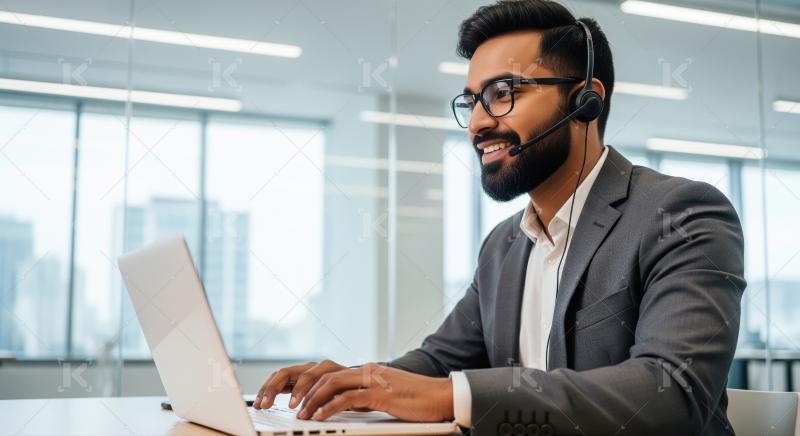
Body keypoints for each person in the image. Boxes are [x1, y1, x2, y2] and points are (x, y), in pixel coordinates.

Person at [253, 1, 745, 434]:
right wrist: (354, 383)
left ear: (584, 101)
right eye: (472, 100)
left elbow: (671, 392)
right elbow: (439, 362)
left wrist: (452, 396)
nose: (478, 122)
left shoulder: (681, 213)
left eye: (502, 93)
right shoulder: (505, 243)